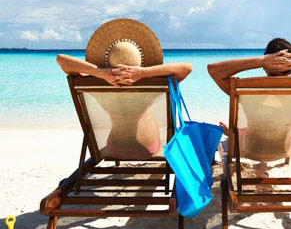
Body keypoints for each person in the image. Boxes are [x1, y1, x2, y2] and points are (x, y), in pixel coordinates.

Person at [57, 18, 192, 159]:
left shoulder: (97, 87)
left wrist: (100, 73)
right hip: (148, 149)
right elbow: (187, 68)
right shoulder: (153, 85)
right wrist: (142, 73)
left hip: (114, 148)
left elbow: (61, 60)